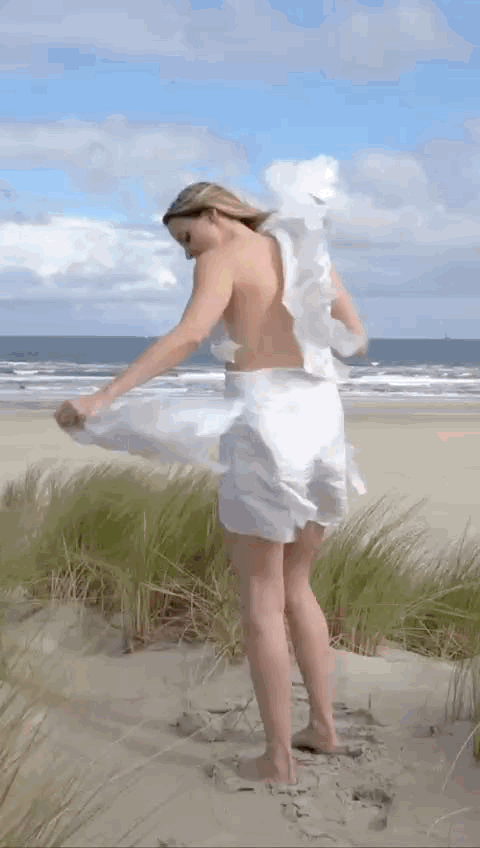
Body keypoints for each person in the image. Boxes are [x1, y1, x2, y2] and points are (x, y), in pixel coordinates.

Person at [54, 156, 368, 786]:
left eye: (186, 236)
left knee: (260, 597)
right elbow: (354, 336)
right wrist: (294, 339)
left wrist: (104, 396)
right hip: (321, 419)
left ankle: (277, 759)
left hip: (265, 423)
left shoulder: (222, 256)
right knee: (298, 585)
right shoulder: (305, 248)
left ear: (214, 212)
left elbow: (188, 335)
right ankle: (323, 729)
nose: (187, 252)